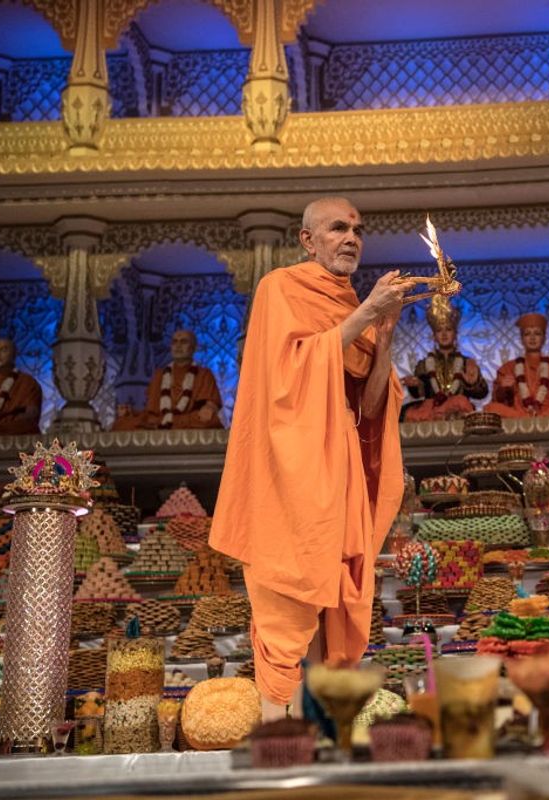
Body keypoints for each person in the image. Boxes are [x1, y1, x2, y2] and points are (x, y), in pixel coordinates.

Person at [209, 196, 413, 721]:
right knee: (290, 594)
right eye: (339, 228)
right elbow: (287, 378)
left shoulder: (351, 306)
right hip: (293, 466)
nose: (352, 238)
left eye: (358, 230)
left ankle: (325, 734)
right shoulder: (280, 288)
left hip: (341, 463)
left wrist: (384, 338)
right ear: (308, 239)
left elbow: (368, 408)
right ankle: (278, 737)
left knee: (335, 596)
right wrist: (369, 310)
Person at [111, 329, 223, 430]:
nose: (178, 346)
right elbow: (150, 412)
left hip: (188, 420)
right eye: (175, 342)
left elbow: (211, 404)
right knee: (121, 424)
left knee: (211, 421)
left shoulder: (204, 374)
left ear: (194, 348)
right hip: (160, 420)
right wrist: (132, 412)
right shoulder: (160, 374)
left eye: (183, 342)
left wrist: (209, 408)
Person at [401, 295, 488, 421]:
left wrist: (473, 383)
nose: (444, 334)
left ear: (455, 334)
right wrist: (415, 385)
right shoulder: (424, 364)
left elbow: (482, 394)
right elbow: (418, 394)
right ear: (434, 336)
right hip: (432, 407)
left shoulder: (466, 363)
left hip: (458, 407)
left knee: (460, 401)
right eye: (439, 330)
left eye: (448, 329)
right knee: (408, 412)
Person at [483, 312, 549, 417]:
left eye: (537, 333)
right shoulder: (509, 367)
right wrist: (502, 389)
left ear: (544, 338)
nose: (532, 338)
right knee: (491, 408)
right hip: (519, 415)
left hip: (548, 415)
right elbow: (498, 400)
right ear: (521, 339)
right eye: (527, 334)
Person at [0, 338, 41, 435]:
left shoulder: (27, 383)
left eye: (4, 350)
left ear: (14, 355)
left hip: (15, 440)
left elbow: (30, 419)